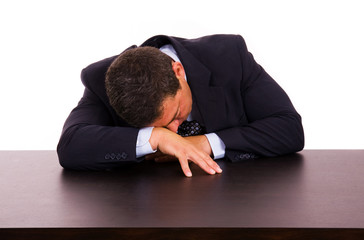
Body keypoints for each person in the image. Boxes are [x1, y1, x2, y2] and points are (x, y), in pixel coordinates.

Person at [57, 34, 304, 177]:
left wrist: (207, 143)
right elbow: (70, 145)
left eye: (175, 115)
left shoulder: (229, 56)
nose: (174, 131)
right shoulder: (102, 80)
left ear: (178, 71)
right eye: (162, 126)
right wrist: (154, 138)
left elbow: (288, 128)